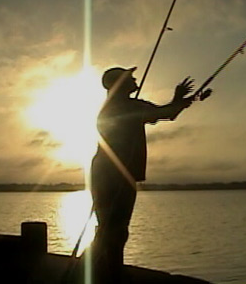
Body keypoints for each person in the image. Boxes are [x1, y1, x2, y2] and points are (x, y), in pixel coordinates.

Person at [90, 66, 211, 283]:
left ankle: (102, 270)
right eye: (129, 77)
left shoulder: (120, 107)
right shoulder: (126, 107)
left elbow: (168, 113)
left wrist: (179, 100)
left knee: (110, 227)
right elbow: (166, 113)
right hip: (115, 175)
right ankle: (111, 273)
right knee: (114, 228)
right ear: (120, 84)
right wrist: (178, 100)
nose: (135, 78)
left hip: (107, 173)